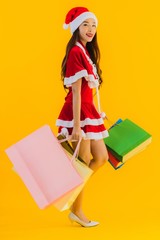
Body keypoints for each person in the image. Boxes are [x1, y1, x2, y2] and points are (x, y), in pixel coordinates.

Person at [56, 7, 109, 227]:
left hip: (88, 112)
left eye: (93, 25)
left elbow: (87, 91)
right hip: (77, 113)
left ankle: (74, 202)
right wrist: (77, 126)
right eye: (85, 24)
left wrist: (98, 115)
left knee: (101, 158)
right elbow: (76, 91)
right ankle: (77, 210)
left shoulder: (85, 52)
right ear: (76, 27)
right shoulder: (76, 52)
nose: (90, 29)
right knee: (84, 161)